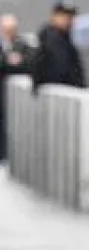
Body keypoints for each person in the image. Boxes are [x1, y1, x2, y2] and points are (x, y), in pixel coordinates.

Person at [0, 13, 34, 162]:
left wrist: (13, 64)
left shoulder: (23, 45)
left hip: (16, 97)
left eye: (12, 28)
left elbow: (28, 63)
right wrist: (9, 63)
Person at [31, 0, 84, 90]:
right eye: (65, 16)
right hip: (59, 92)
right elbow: (61, 69)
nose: (69, 20)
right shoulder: (51, 40)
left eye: (71, 16)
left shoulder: (64, 39)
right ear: (54, 16)